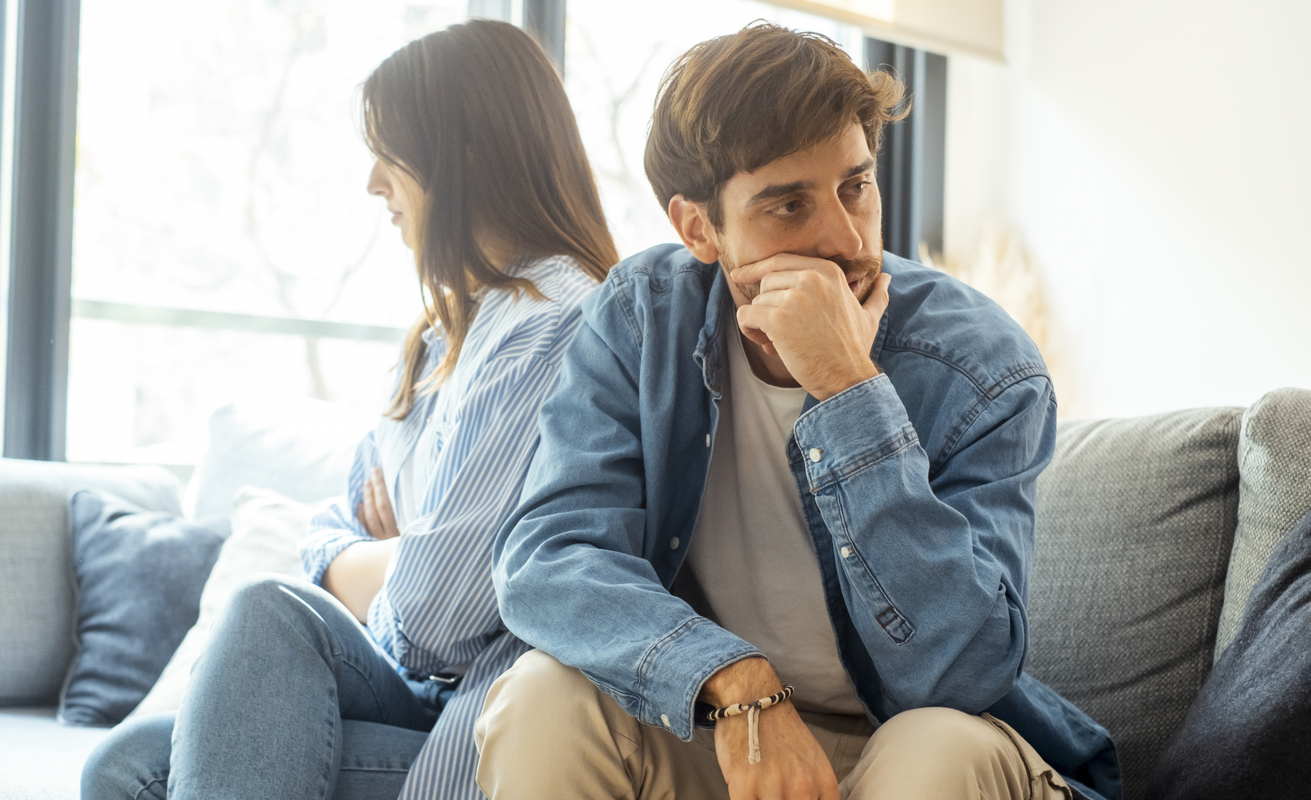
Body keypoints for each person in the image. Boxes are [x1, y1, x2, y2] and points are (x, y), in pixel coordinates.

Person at [477, 22, 1120, 800]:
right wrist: (735, 678)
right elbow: (549, 558)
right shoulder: (644, 316)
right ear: (697, 228)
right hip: (734, 731)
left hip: (922, 743)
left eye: (856, 185)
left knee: (935, 745)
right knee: (543, 695)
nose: (845, 239)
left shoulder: (983, 363)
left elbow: (964, 668)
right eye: (786, 206)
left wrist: (850, 393)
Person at [81, 19, 616, 800]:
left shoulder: (554, 325)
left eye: (388, 153)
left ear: (459, 154)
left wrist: (401, 560)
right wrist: (390, 552)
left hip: (484, 720)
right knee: (124, 765)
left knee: (270, 614)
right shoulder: (441, 340)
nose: (372, 183)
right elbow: (333, 525)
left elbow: (436, 621)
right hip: (414, 690)